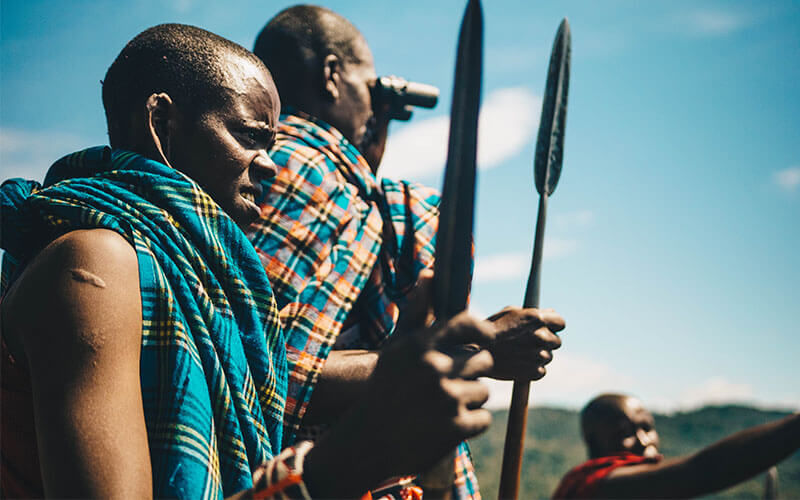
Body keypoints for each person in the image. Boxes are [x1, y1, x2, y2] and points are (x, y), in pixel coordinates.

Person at [0, 23, 500, 499]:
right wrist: (360, 449)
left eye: (271, 143)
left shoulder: (205, 280)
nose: (268, 162)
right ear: (161, 124)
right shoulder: (92, 265)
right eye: (248, 135)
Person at [250, 6, 566, 498]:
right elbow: (260, 376)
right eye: (369, 84)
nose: (377, 104)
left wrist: (366, 159)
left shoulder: (270, 173)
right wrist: (475, 351)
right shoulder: (304, 167)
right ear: (332, 76)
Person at [552, 393, 800, 498]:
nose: (643, 441)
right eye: (624, 433)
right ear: (594, 442)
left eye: (647, 427)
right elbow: (702, 472)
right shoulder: (595, 486)